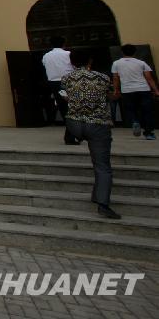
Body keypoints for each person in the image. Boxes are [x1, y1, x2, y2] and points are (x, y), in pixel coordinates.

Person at [61, 49, 120, 219]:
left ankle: (97, 195)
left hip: (74, 124)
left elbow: (67, 96)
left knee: (99, 162)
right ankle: (103, 203)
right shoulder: (102, 77)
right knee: (102, 165)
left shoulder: (66, 79)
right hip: (97, 123)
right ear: (90, 61)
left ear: (72, 63)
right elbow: (111, 95)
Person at [111, 44, 159, 141]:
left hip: (127, 90)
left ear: (122, 52)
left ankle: (134, 121)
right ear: (134, 52)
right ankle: (149, 133)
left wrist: (116, 90)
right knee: (147, 111)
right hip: (143, 89)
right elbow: (149, 78)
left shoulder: (116, 63)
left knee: (130, 109)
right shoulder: (141, 63)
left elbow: (116, 78)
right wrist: (156, 90)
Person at [42, 36, 79, 145]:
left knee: (64, 109)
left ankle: (71, 135)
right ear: (64, 43)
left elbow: (46, 67)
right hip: (69, 81)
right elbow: (75, 67)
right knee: (73, 108)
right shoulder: (68, 54)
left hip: (54, 83)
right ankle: (71, 135)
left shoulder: (46, 56)